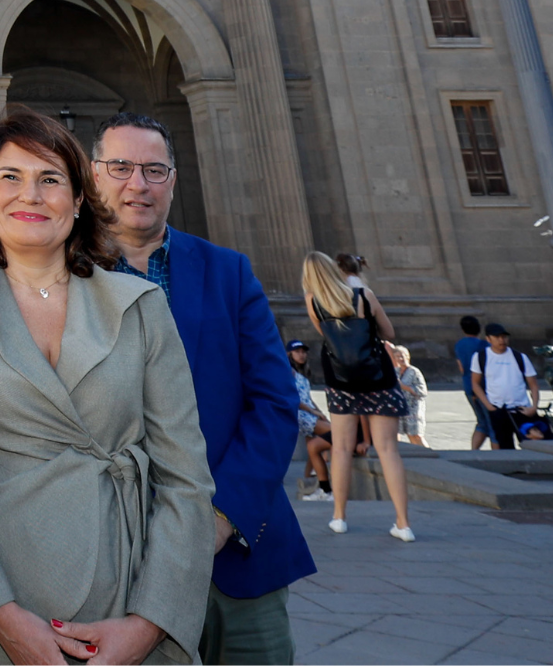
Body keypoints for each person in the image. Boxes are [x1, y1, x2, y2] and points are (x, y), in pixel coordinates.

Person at [0, 108, 214, 665]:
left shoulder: (141, 305)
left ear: (78, 199)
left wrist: (149, 624)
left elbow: (186, 481)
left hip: (121, 596)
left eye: (50, 179)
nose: (30, 194)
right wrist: (2, 617)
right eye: (10, 177)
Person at [89, 112, 313, 664]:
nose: (136, 184)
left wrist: (222, 517)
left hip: (233, 558)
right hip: (113, 565)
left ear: (173, 179)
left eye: (153, 170)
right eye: (119, 167)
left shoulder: (227, 272)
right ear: (92, 175)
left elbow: (276, 403)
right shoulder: (63, 276)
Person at [302, 251, 413, 542]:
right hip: (378, 377)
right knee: (388, 449)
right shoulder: (364, 295)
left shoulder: (314, 302)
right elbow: (388, 332)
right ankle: (403, 523)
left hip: (341, 380)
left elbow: (328, 337)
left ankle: (339, 516)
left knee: (340, 448)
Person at [469, 322, 541, 451]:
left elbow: (533, 384)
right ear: (488, 339)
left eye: (504, 337)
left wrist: (534, 407)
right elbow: (475, 383)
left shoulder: (520, 357)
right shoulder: (480, 357)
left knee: (533, 444)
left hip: (522, 409)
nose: (501, 340)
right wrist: (489, 406)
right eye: (497, 337)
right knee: (504, 447)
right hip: (498, 409)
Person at [286, 341, 333, 502]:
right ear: (289, 354)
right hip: (301, 414)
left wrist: (320, 412)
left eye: (303, 352)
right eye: (297, 351)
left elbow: (308, 398)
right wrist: (312, 411)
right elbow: (290, 397)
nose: (302, 354)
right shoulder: (288, 372)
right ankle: (327, 487)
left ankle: (309, 484)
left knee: (313, 449)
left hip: (308, 413)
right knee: (333, 434)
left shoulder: (302, 374)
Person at [453, 316, 489, 450]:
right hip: (484, 387)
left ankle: (473, 451)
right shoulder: (485, 345)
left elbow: (461, 367)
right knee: (492, 424)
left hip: (468, 385)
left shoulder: (459, 345)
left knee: (481, 422)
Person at [390, 344, 429, 448]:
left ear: (408, 356)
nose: (401, 358)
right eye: (398, 356)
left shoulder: (414, 372)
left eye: (402, 356)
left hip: (414, 408)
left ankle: (429, 454)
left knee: (417, 435)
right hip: (401, 408)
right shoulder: (396, 372)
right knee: (409, 435)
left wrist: (405, 387)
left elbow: (423, 391)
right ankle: (418, 455)